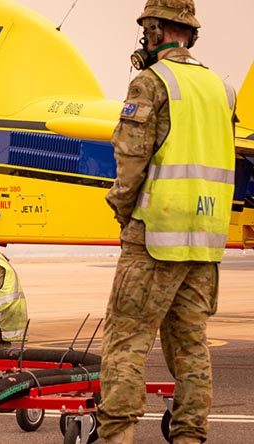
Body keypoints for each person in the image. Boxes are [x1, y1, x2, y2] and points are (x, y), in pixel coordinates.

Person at [98, 1, 236, 443]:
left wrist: (123, 211)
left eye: (147, 30)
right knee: (192, 347)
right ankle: (190, 437)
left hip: (154, 236)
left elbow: (130, 160)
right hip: (205, 242)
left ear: (157, 31)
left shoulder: (150, 82)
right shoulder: (221, 89)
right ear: (190, 34)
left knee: (126, 342)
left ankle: (117, 435)